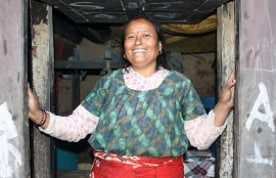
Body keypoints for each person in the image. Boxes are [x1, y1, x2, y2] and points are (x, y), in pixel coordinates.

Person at [28, 15, 236, 178]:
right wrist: (40, 116)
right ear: (125, 51)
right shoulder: (108, 84)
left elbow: (200, 138)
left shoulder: (179, 85)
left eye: (146, 35)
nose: (138, 41)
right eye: (131, 36)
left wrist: (224, 105)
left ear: (160, 46)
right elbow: (76, 128)